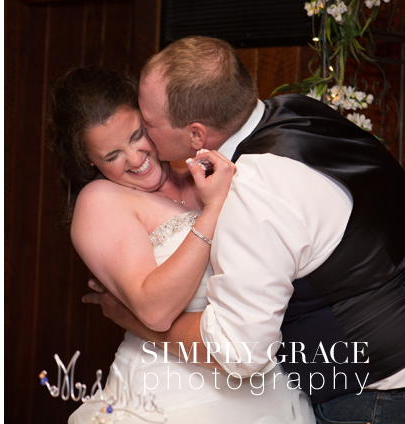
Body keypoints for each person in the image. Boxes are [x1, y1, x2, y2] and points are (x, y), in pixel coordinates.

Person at [84, 35, 405, 423]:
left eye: (148, 125)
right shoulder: (302, 111)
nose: (145, 140)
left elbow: (240, 353)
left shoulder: (248, 192)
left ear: (197, 135)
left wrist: (131, 321)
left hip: (371, 395)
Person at [52, 67, 313, 423]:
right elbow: (156, 310)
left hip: (264, 381)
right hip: (169, 393)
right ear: (89, 162)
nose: (135, 158)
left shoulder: (203, 175)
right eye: (112, 156)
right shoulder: (101, 200)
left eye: (137, 135)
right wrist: (213, 211)